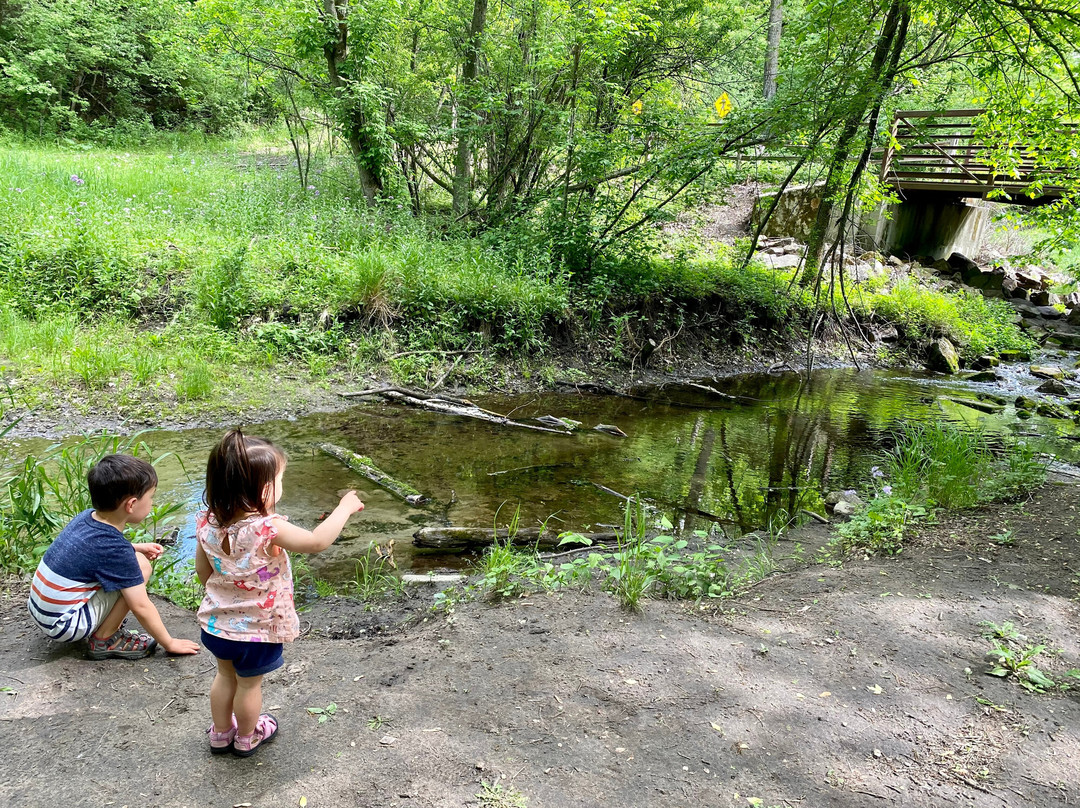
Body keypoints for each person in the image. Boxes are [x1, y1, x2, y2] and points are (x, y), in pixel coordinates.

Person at [195, 428, 364, 757]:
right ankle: (247, 736)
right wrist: (343, 508)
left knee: (224, 677)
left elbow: (205, 573)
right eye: (281, 479)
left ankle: (220, 733)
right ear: (263, 489)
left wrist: (228, 598)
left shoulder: (208, 524)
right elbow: (316, 542)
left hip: (216, 627)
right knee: (249, 684)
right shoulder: (268, 527)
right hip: (257, 632)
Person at [27, 454, 201, 660]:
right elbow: (141, 606)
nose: (152, 503)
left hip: (42, 612)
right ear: (131, 504)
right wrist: (169, 643)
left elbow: (92, 549)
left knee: (133, 560)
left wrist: (134, 546)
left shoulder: (86, 517)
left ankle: (99, 627)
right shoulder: (116, 550)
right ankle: (104, 639)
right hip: (65, 625)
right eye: (151, 497)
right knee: (141, 566)